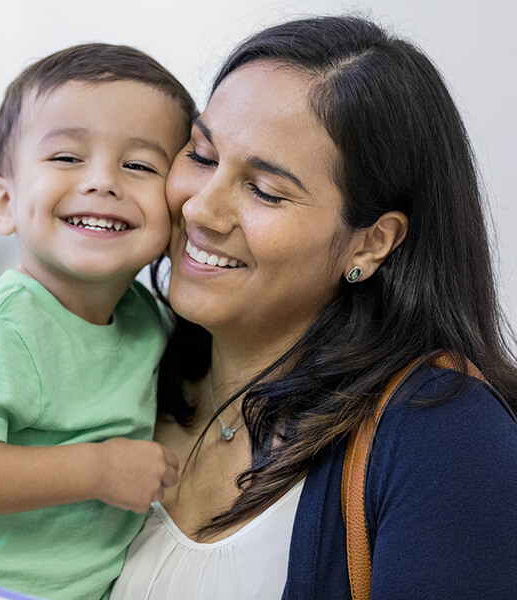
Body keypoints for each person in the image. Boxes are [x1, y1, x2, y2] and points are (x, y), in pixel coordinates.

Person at [110, 15, 517, 599]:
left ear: (371, 242)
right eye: (201, 155)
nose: (201, 209)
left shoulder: (447, 441)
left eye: (265, 191)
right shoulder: (121, 365)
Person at [0, 43, 197, 600]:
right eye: (66, 158)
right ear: (4, 203)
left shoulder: (149, 321)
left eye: (140, 166)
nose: (103, 181)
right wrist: (99, 471)